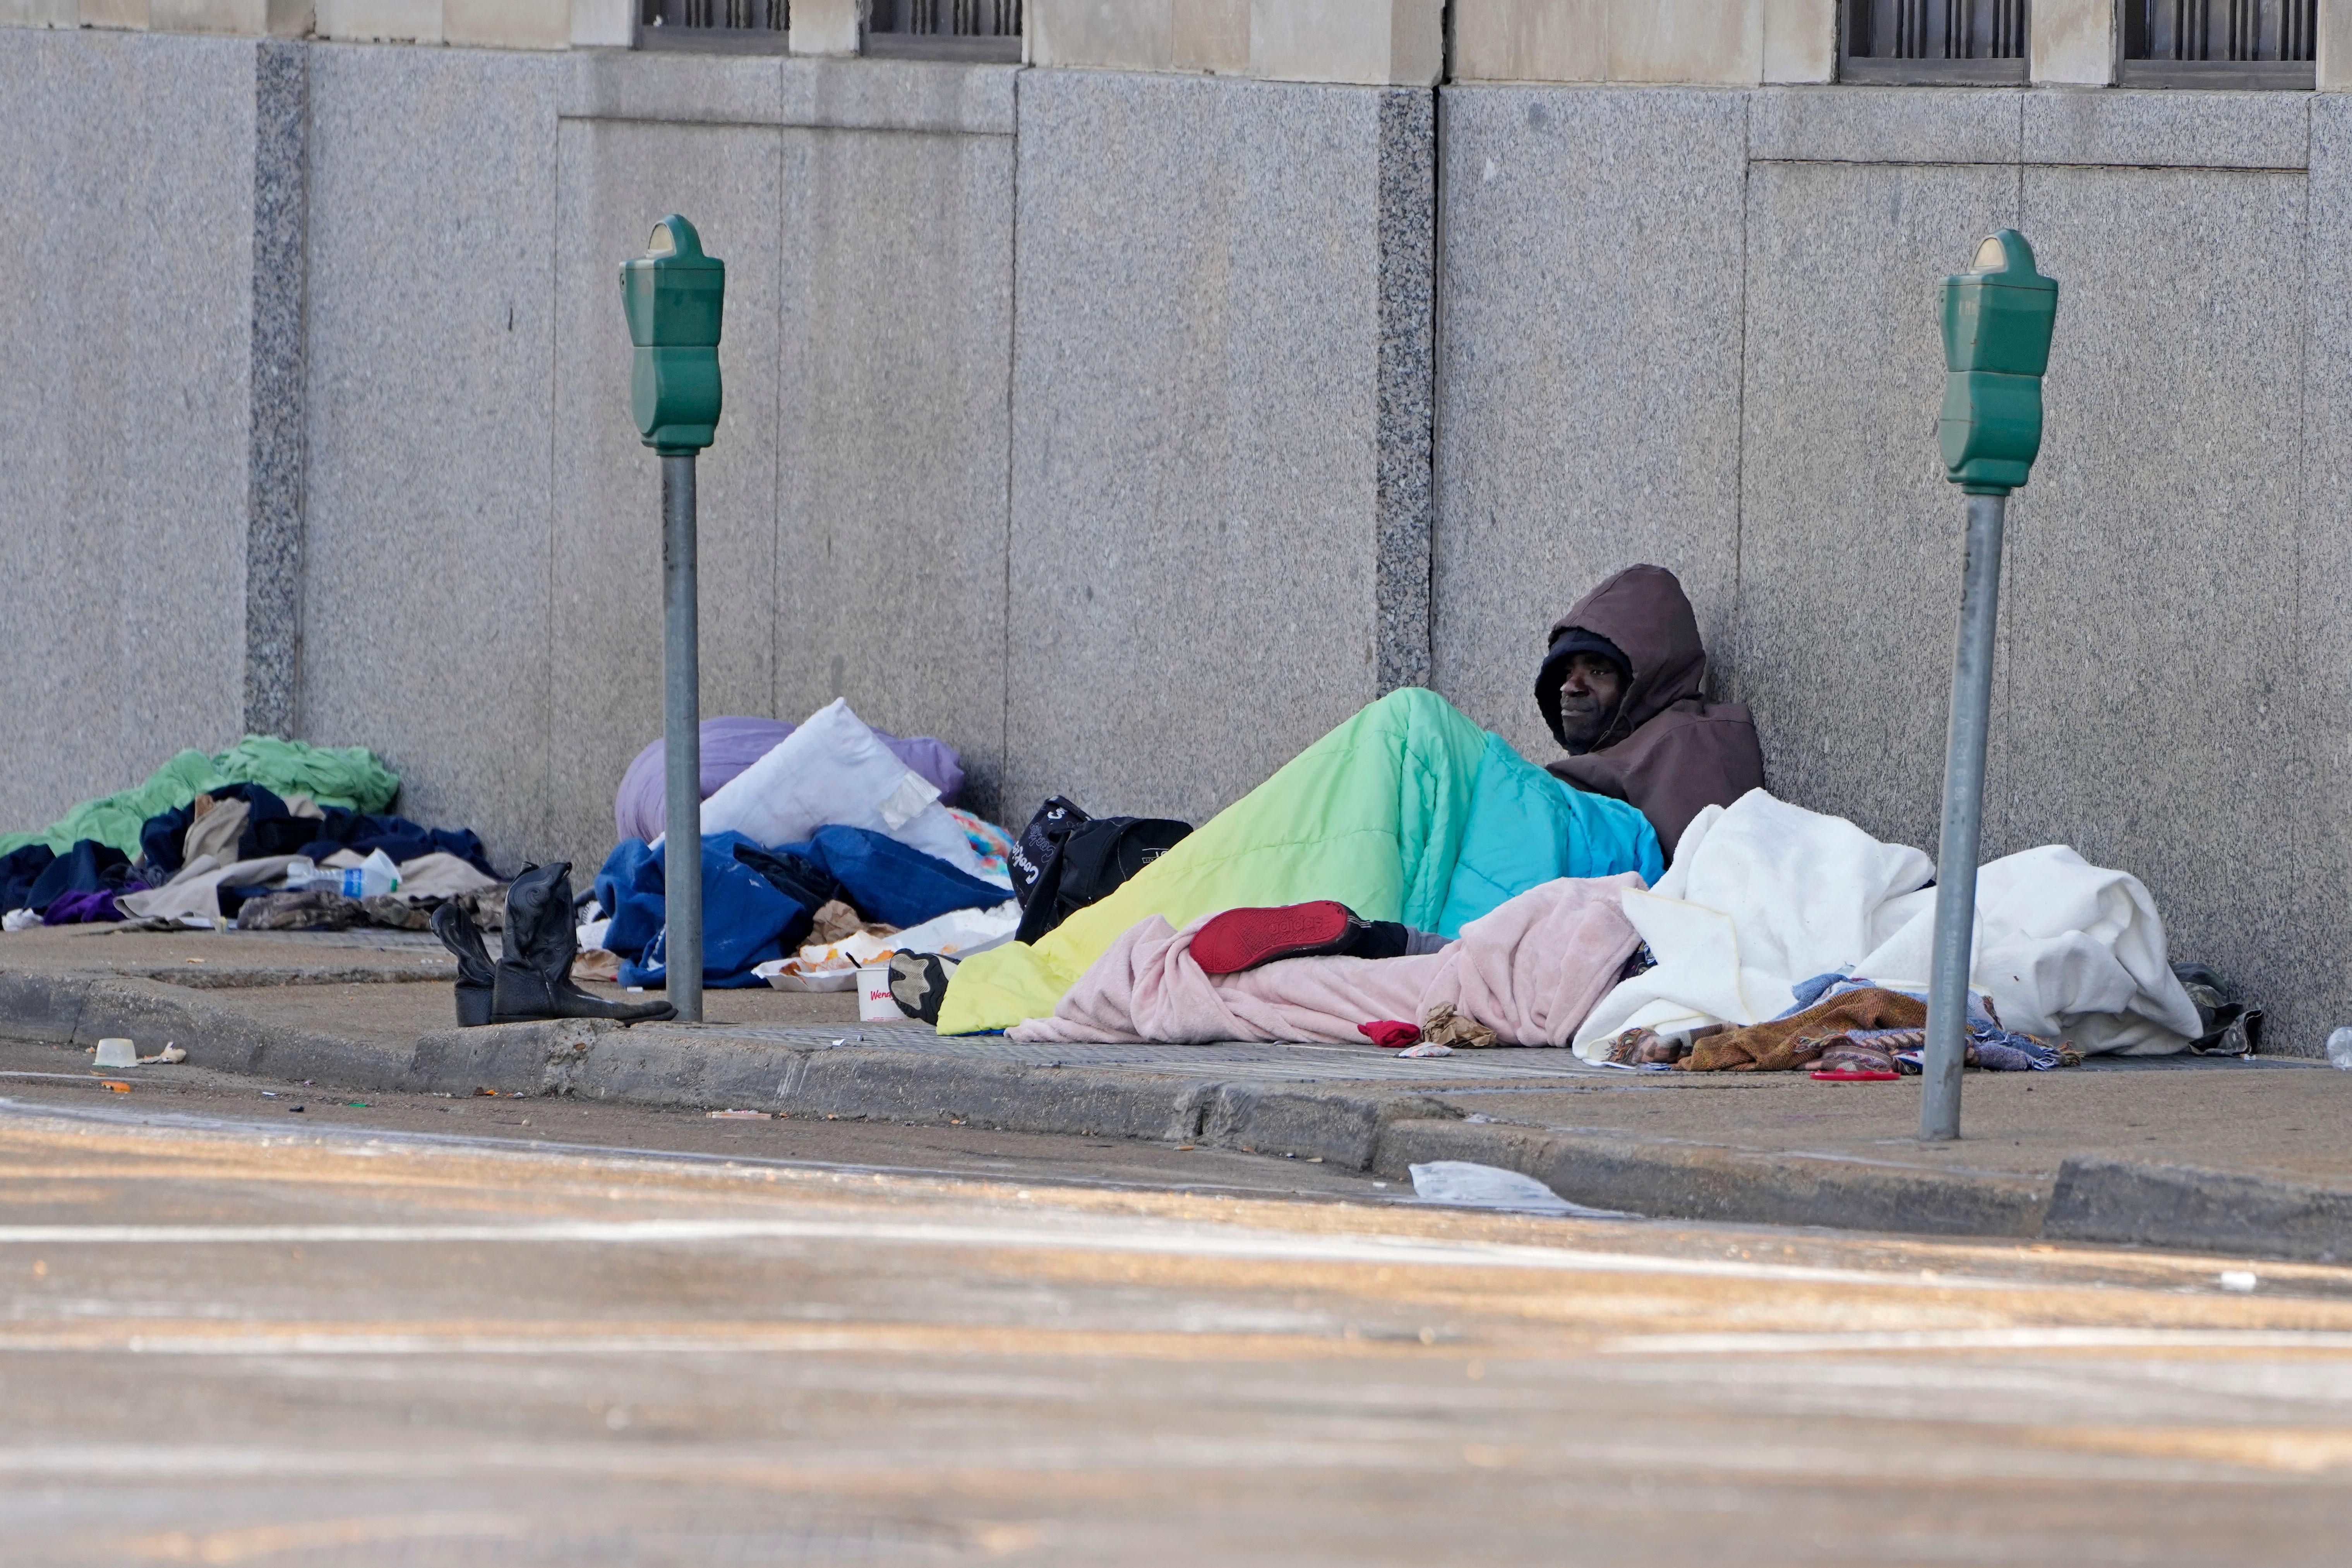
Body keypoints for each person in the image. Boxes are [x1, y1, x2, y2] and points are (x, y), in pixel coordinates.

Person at [1536, 564, 1765, 859]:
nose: (1570, 686)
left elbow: (1709, 884)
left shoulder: (1684, 744)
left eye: (1597, 670)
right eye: (1567, 672)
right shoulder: (1620, 752)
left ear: (1646, 681)